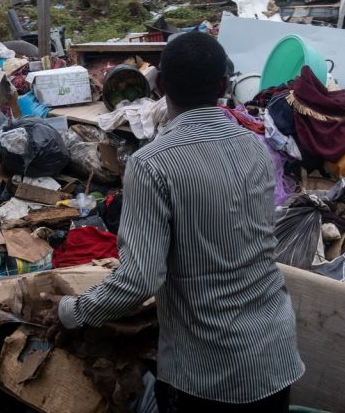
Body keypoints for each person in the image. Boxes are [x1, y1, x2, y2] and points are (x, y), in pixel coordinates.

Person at [45, 31, 305, 412]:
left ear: (162, 86)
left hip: (208, 374)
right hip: (274, 357)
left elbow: (138, 281)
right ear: (223, 85)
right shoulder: (255, 148)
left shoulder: (151, 165)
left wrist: (71, 312)